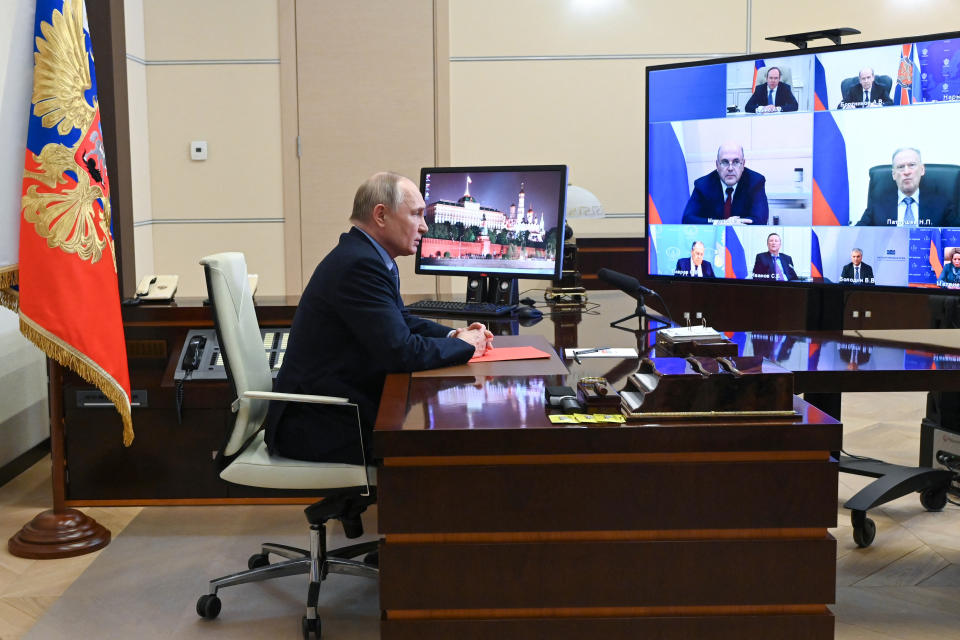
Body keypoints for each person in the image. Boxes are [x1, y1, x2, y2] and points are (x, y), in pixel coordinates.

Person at [265, 171, 494, 464]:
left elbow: (401, 320)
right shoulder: (359, 265)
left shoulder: (369, 257)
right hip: (321, 423)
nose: (424, 227)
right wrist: (466, 345)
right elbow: (401, 351)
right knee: (447, 441)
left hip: (336, 407)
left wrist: (454, 336)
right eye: (416, 215)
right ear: (381, 215)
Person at [857, 147, 957, 226]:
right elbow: (856, 234)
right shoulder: (877, 205)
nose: (906, 172)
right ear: (893, 174)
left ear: (922, 170)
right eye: (900, 167)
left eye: (912, 165)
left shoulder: (942, 204)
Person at [681, 143, 769, 225]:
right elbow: (688, 219)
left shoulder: (755, 182)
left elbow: (760, 220)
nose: (730, 168)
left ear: (743, 164)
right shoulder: (703, 185)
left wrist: (734, 224)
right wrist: (721, 223)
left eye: (736, 162)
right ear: (717, 165)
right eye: (725, 162)